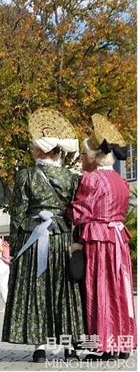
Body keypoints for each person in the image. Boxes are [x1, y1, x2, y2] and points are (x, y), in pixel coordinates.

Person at [1, 108, 84, 363]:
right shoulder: (72, 177)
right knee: (65, 291)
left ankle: (39, 348)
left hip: (33, 237)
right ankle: (70, 347)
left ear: (39, 150)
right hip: (61, 236)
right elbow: (76, 210)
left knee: (36, 290)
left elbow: (18, 212)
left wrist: (15, 245)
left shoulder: (26, 175)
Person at [70, 114, 136, 360]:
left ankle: (104, 344)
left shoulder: (91, 179)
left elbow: (79, 211)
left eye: (85, 156)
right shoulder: (121, 181)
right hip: (119, 238)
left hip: (99, 240)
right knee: (119, 289)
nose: (83, 160)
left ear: (94, 157)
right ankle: (122, 342)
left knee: (100, 287)